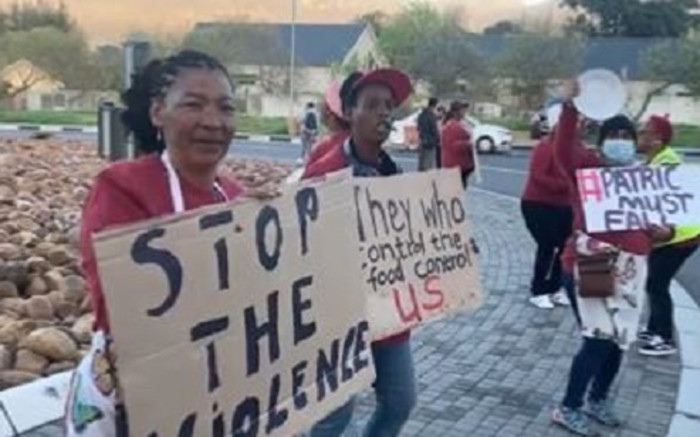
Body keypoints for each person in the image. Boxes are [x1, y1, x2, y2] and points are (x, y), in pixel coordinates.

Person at [64, 50, 274, 436]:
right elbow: (123, 311)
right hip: (135, 397)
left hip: (214, 391)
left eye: (226, 108)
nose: (213, 121)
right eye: (193, 105)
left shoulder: (235, 196)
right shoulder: (120, 187)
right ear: (158, 112)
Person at [551, 81, 672, 436]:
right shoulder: (586, 169)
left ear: (634, 143)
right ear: (602, 141)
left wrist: (659, 234)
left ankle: (598, 398)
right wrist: (571, 107)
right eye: (613, 134)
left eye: (626, 134)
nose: (620, 139)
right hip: (593, 263)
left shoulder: (641, 179)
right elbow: (563, 148)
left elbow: (652, 225)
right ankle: (568, 406)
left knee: (619, 338)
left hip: (631, 268)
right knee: (597, 337)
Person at [303, 68, 416, 437]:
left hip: (389, 317)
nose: (384, 113)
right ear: (350, 113)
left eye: (389, 105)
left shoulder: (395, 173)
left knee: (401, 401)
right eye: (372, 105)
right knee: (334, 418)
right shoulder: (322, 174)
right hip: (339, 320)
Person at [637, 115, 700, 356]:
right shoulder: (656, 161)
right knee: (653, 281)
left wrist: (671, 231)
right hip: (667, 237)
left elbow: (681, 204)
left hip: (682, 237)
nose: (640, 136)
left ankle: (664, 338)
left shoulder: (667, 165)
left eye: (645, 132)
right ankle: (654, 328)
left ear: (656, 139)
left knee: (657, 283)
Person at [520, 102, 589, 309]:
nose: (581, 126)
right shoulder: (545, 147)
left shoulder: (579, 148)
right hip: (539, 204)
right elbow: (539, 177)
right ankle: (539, 290)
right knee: (547, 247)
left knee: (566, 247)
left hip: (564, 206)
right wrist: (570, 184)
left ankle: (557, 287)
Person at [306, 80, 350, 166]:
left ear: (330, 115)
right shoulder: (360, 144)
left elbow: (307, 176)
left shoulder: (323, 150)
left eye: (323, 102)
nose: (319, 106)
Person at [440, 100, 474, 188]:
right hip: (455, 165)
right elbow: (453, 146)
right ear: (456, 112)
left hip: (461, 165)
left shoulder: (459, 124)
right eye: (462, 110)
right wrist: (468, 144)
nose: (464, 112)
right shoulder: (451, 126)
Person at [417, 97, 440, 171]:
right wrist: (437, 139)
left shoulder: (421, 115)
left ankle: (420, 178)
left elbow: (419, 127)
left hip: (422, 140)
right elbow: (434, 129)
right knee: (428, 163)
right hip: (430, 141)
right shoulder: (431, 116)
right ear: (434, 105)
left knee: (422, 162)